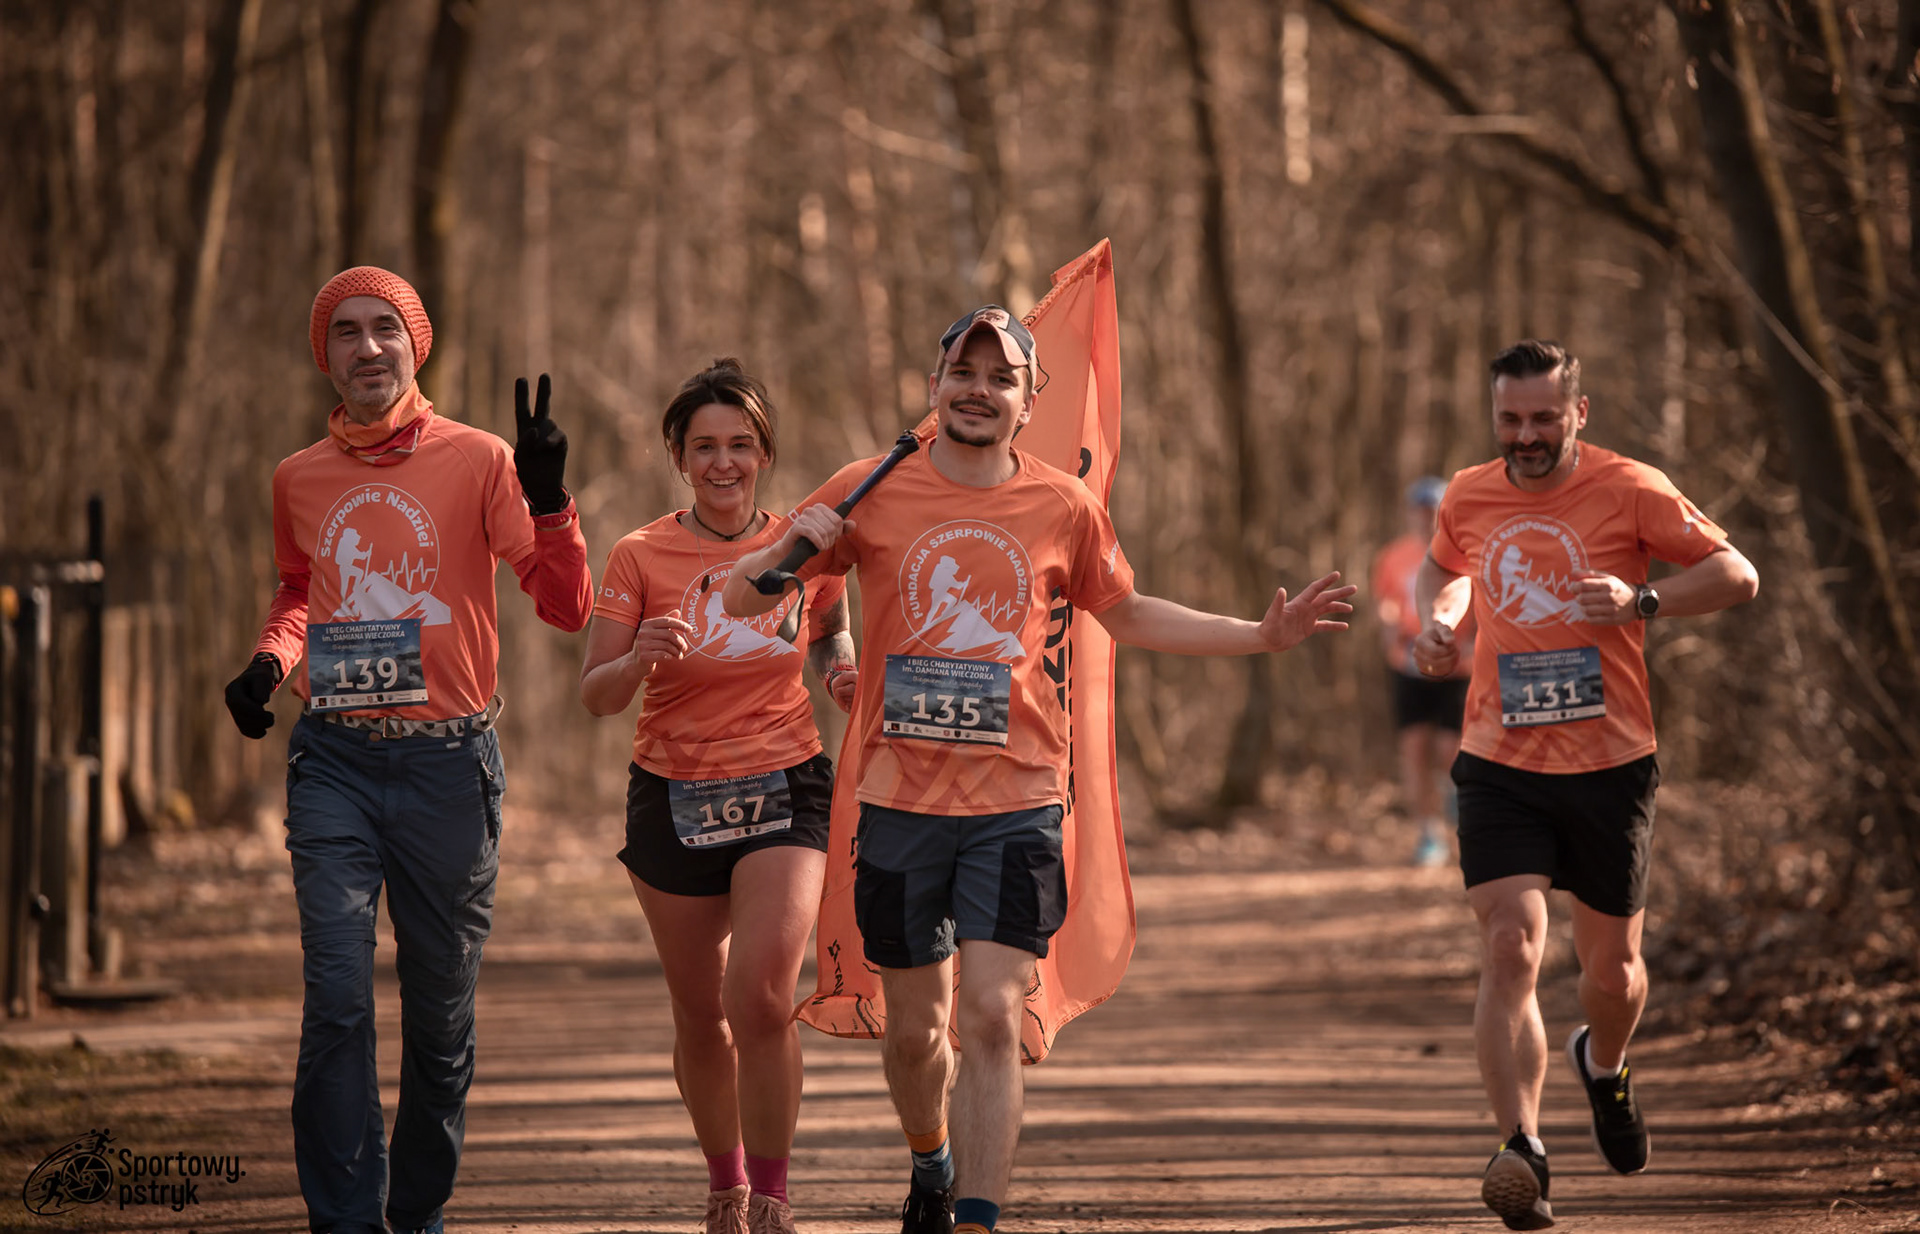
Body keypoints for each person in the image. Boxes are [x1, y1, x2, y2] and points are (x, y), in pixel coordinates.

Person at [722, 306, 1357, 1234]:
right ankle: (932, 1161)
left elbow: (1128, 612)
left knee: (989, 1015)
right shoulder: (871, 486)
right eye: (963, 373)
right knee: (915, 1034)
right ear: (934, 387)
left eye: (1001, 378)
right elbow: (743, 601)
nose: (979, 391)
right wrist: (792, 546)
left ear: (1027, 403)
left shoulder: (1064, 504)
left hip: (1018, 801)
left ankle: (976, 1222)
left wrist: (1258, 636)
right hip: (900, 801)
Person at [222, 266, 593, 1234]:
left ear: (416, 345)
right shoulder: (298, 476)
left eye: (386, 327)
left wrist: (549, 500)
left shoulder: (477, 458)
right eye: (345, 332)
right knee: (337, 998)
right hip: (335, 761)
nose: (368, 347)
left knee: (439, 1013)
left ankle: (416, 1208)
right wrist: (268, 663)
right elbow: (300, 590)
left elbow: (565, 607)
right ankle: (346, 1220)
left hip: (447, 769)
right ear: (325, 355)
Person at [1411, 340, 1758, 1231]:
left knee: (1615, 972)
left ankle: (1603, 1064)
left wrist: (1644, 601)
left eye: (1543, 419)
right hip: (1500, 763)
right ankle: (1520, 1149)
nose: (1525, 436)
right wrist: (1439, 622)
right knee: (1511, 945)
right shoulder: (1469, 492)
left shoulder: (1631, 486)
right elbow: (1444, 569)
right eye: (1509, 420)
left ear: (1579, 413)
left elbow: (1737, 574)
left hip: (1611, 765)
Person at [578, 360, 856, 1234]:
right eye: (704, 447)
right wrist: (637, 659)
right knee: (703, 1017)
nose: (723, 463)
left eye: (740, 444)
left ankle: (773, 1198)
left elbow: (828, 632)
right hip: (673, 793)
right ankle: (726, 1184)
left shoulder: (807, 542)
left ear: (764, 452)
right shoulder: (638, 555)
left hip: (786, 783)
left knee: (761, 997)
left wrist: (840, 673)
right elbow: (596, 694)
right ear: (678, 456)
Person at [1371, 476, 1470, 866]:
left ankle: (1454, 794)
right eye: (1421, 510)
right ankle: (1429, 835)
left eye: (1434, 510)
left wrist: (1472, 645)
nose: (1427, 517)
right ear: (1411, 513)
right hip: (1410, 663)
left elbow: (1482, 604)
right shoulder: (1393, 556)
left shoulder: (1466, 552)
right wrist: (1390, 632)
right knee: (1414, 749)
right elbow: (1387, 603)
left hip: (1458, 664)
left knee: (1450, 749)